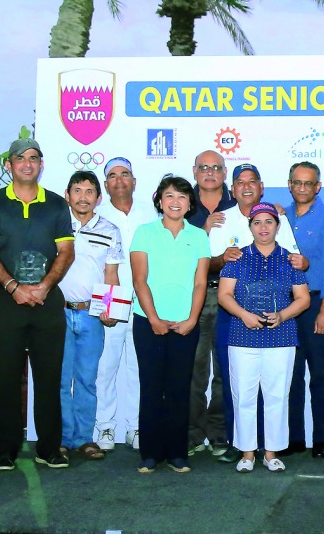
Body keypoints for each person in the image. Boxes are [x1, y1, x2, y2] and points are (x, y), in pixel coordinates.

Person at [0, 138, 75, 471]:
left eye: (34, 158)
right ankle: (5, 450)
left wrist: (45, 286)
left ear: (40, 164)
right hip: (6, 302)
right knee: (4, 380)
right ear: (9, 165)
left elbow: (66, 253)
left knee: (49, 379)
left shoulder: (57, 204)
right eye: (21, 158)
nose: (28, 163)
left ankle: (48, 448)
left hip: (47, 303)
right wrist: (13, 286)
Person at [206, 163, 307, 459]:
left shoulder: (282, 223)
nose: (263, 227)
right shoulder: (221, 221)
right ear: (232, 187)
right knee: (233, 384)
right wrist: (223, 259)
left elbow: (298, 265)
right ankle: (240, 447)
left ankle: (272, 449)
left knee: (276, 392)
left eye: (268, 222)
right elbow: (206, 266)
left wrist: (284, 314)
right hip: (233, 313)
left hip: (280, 326)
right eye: (240, 182)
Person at [130, 175, 211, 473]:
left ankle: (178, 452)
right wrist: (153, 319)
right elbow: (140, 280)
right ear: (159, 201)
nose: (175, 202)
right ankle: (150, 453)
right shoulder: (144, 232)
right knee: (151, 387)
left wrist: (191, 319)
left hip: (186, 325)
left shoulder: (199, 236)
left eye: (181, 196)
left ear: (190, 203)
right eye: (169, 196)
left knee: (180, 389)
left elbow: (200, 283)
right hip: (148, 322)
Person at [95, 157, 159, 451]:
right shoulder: (96, 215)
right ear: (105, 184)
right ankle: (105, 427)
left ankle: (135, 427)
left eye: (125, 174)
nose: (119, 180)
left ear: (134, 181)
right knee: (105, 367)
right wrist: (106, 304)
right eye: (112, 175)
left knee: (138, 367)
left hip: (144, 303)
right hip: (111, 300)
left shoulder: (151, 215)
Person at [59, 171, 123, 460]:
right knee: (59, 380)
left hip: (90, 315)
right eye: (77, 190)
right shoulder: (55, 226)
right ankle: (60, 438)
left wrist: (110, 309)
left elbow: (111, 275)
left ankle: (84, 438)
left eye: (89, 191)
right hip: (56, 315)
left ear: (99, 197)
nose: (83, 197)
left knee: (87, 378)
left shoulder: (109, 229)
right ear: (67, 194)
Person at [282, 161, 324, 459]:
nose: (302, 188)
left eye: (308, 183)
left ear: (318, 187)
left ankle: (320, 440)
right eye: (297, 182)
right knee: (291, 375)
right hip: (287, 306)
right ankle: (295, 438)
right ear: (290, 184)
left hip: (318, 302)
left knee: (319, 373)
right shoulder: (281, 216)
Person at [186, 150, 237, 458]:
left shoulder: (238, 204)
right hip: (195, 295)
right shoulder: (180, 202)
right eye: (204, 167)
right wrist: (202, 230)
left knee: (225, 369)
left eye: (216, 167)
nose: (209, 172)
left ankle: (219, 431)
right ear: (195, 171)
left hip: (229, 296)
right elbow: (177, 254)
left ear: (224, 172)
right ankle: (191, 432)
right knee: (194, 368)